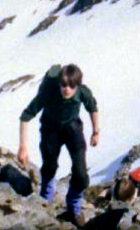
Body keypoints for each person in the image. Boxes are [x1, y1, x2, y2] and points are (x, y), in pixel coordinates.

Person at [18, 64, 99, 227]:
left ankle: (73, 207)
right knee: (49, 166)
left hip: (72, 128)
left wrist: (96, 131)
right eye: (63, 84)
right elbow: (25, 117)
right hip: (50, 131)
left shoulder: (83, 92)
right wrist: (23, 147)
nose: (67, 89)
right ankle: (45, 201)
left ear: (78, 85)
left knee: (81, 174)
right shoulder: (48, 93)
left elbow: (92, 107)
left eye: (71, 85)